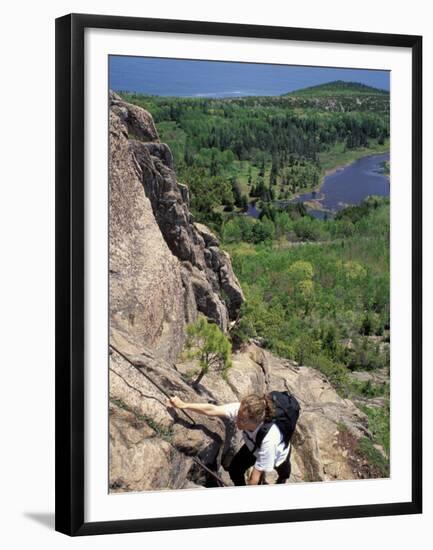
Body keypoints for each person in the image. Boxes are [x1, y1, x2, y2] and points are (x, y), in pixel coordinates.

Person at [169, 393, 292, 486]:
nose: (237, 420)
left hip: (278, 454)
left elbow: (255, 477)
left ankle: (282, 479)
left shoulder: (270, 440)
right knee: (234, 470)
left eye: (242, 420)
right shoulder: (243, 411)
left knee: (283, 469)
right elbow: (212, 409)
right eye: (238, 415)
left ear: (255, 421)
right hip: (253, 446)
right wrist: (184, 405)